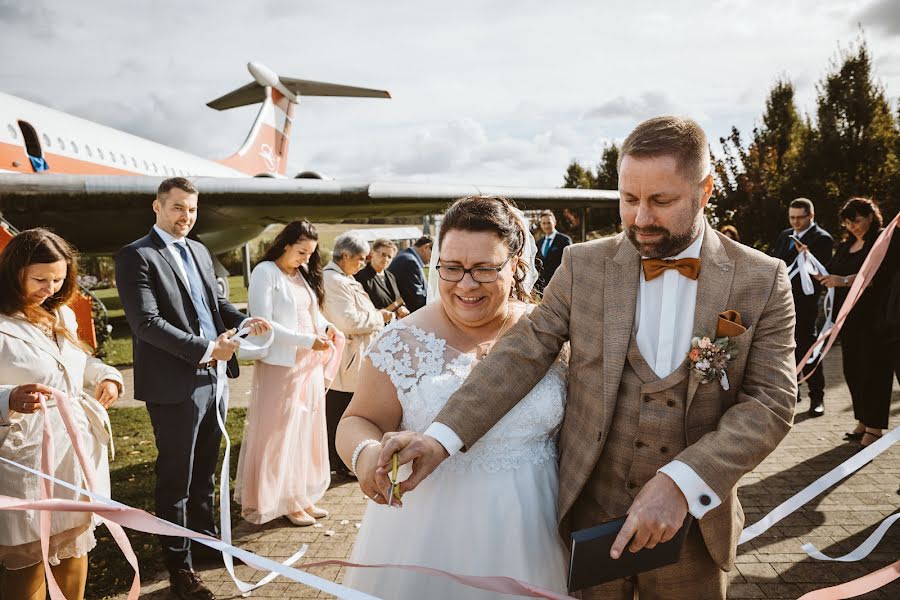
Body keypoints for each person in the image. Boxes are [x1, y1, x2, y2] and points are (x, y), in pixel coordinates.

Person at [377, 116, 798, 600]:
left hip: (693, 533)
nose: (640, 218)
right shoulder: (583, 264)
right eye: (629, 199)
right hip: (587, 518)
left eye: (661, 201)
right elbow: (522, 354)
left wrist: (683, 483)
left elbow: (770, 402)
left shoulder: (762, 279)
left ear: (704, 191)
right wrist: (440, 439)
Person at [337, 195, 569, 599]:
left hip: (537, 525)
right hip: (429, 536)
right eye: (452, 268)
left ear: (515, 265)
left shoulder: (550, 333)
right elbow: (357, 420)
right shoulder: (401, 341)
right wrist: (366, 455)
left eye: (484, 269)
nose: (465, 284)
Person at [115, 177, 269, 600]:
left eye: (193, 209)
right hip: (175, 382)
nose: (186, 216)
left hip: (215, 378)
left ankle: (204, 547)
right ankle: (178, 567)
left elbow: (214, 306)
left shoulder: (200, 250)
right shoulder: (137, 256)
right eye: (178, 208)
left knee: (204, 473)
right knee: (176, 479)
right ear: (158, 207)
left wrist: (244, 319)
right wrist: (206, 349)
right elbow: (145, 323)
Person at [0, 228, 123, 600]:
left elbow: (76, 361)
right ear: (14, 272)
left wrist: (107, 376)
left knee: (74, 546)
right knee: (29, 559)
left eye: (58, 279)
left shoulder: (61, 314)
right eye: (40, 279)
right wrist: (7, 398)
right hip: (26, 455)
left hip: (73, 452)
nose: (50, 288)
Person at [234, 220, 341, 527]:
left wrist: (325, 327)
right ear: (285, 244)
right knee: (280, 434)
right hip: (282, 364)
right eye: (301, 252)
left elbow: (310, 313)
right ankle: (279, 499)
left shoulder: (301, 274)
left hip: (308, 363)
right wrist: (308, 340)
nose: (306, 259)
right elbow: (263, 320)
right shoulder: (265, 272)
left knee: (304, 431)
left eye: (310, 253)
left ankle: (299, 494)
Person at [816, 198, 894, 448]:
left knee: (874, 371)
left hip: (874, 318)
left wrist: (844, 281)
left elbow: (878, 276)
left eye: (857, 220)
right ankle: (862, 420)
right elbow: (832, 271)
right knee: (853, 370)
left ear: (871, 216)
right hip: (848, 320)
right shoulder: (846, 245)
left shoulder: (883, 241)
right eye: (848, 222)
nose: (853, 226)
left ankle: (875, 427)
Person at [322, 233, 392, 477]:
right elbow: (349, 321)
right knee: (341, 411)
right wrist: (379, 318)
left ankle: (342, 459)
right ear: (345, 256)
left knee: (346, 409)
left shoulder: (345, 278)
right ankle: (339, 461)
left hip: (356, 353)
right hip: (347, 357)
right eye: (360, 259)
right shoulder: (333, 280)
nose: (363, 264)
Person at [771, 198, 833, 417]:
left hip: (805, 305)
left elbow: (821, 271)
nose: (795, 222)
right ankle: (791, 394)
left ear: (811, 216)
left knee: (808, 348)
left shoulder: (822, 239)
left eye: (800, 218)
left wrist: (806, 255)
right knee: (784, 349)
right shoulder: (784, 235)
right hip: (781, 301)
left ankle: (817, 398)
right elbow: (775, 261)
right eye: (792, 217)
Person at [355, 238, 409, 317]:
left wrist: (402, 308)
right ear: (372, 253)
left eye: (389, 257)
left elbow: (398, 300)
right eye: (383, 254)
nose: (386, 259)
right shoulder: (360, 277)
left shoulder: (391, 276)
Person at [387, 235, 432, 311]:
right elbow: (417, 299)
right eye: (434, 255)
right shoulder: (410, 261)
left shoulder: (407, 257)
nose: (434, 259)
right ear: (426, 247)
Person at [535, 209, 572, 293]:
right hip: (543, 287)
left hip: (559, 285)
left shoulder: (564, 240)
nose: (546, 226)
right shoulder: (539, 243)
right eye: (543, 223)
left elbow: (569, 263)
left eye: (549, 223)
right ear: (541, 225)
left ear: (554, 223)